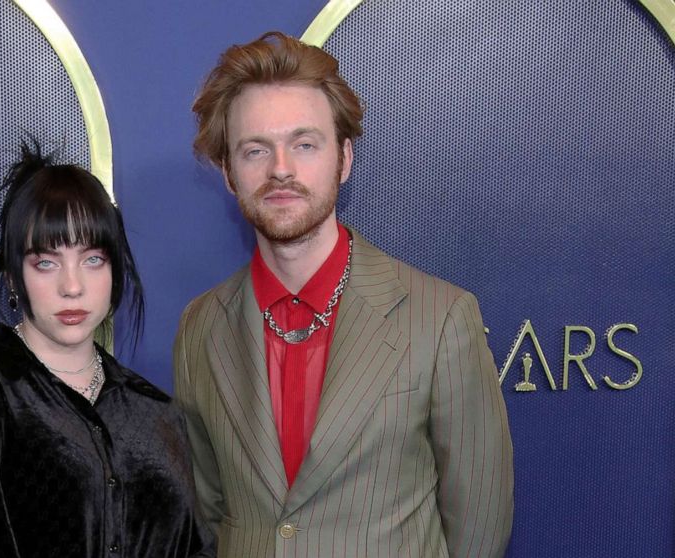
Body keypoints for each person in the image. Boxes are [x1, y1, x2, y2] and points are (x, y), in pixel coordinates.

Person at [173, 32, 513, 557]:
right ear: (227, 173)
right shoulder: (199, 327)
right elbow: (210, 514)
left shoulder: (441, 316)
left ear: (344, 158)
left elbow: (480, 528)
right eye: (255, 149)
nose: (280, 168)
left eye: (304, 144)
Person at [0, 141, 212, 557]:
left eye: (92, 260)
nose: (72, 287)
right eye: (46, 263)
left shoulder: (156, 412)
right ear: (14, 277)